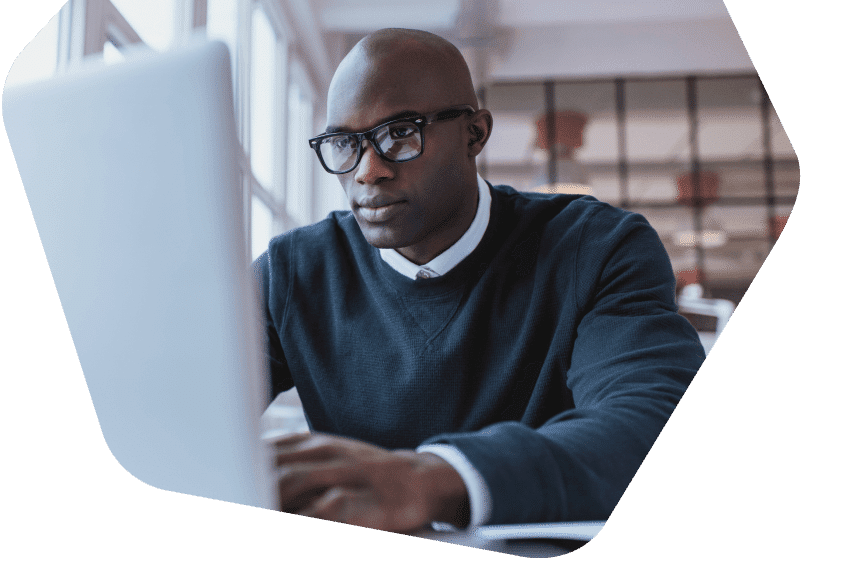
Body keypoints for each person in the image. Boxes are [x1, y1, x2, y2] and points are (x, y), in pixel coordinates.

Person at [253, 28, 705, 534]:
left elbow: (654, 424)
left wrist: (436, 480)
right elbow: (175, 415)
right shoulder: (291, 273)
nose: (368, 171)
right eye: (343, 143)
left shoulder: (595, 248)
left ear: (475, 134)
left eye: (400, 134)